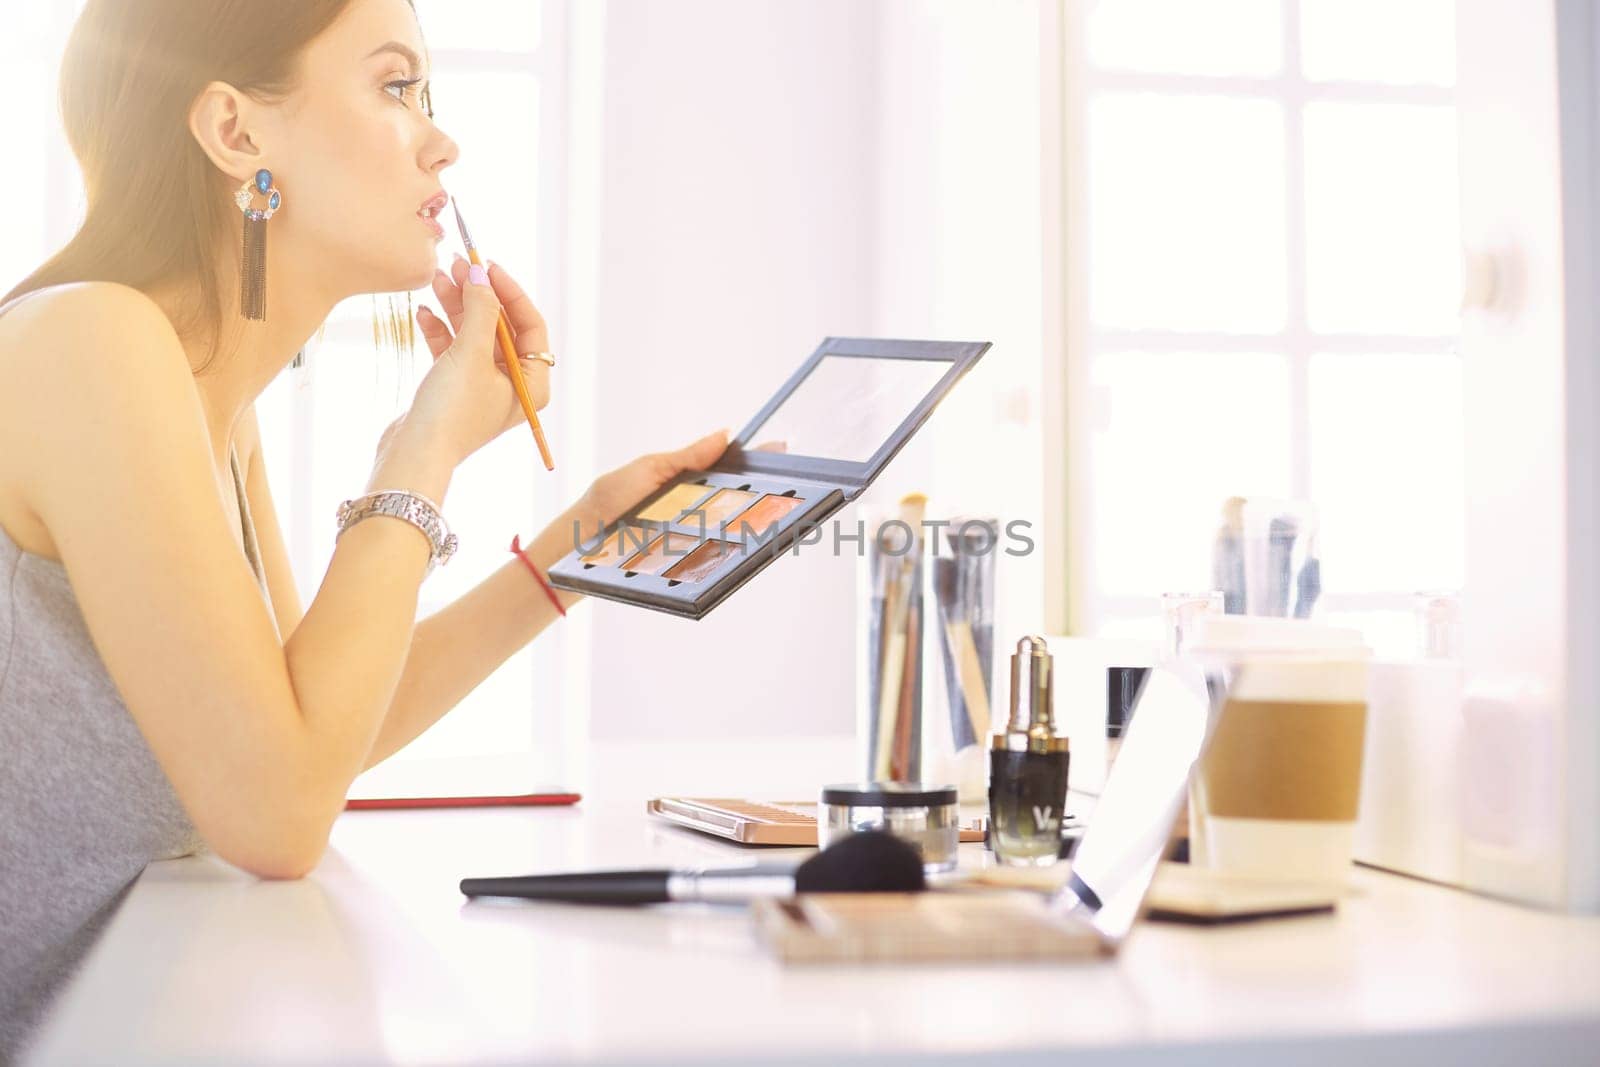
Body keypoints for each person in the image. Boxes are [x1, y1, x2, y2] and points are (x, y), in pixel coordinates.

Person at [0, 0, 725, 1054]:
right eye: (395, 86)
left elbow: (314, 727)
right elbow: (279, 812)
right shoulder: (90, 341)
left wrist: (579, 548)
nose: (442, 138)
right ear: (235, 133)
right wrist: (420, 448)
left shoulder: (210, 403)